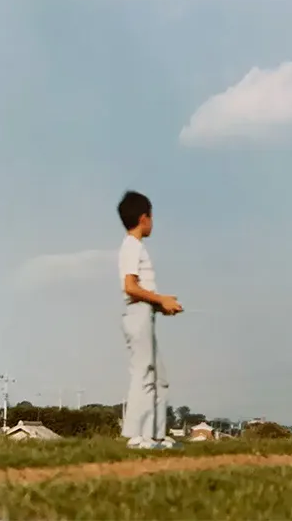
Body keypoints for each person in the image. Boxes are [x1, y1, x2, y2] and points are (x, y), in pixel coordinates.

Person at [117, 190, 183, 450]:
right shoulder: (131, 246)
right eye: (152, 216)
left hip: (146, 314)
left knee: (159, 379)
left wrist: (160, 305)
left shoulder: (136, 247)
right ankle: (137, 437)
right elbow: (130, 287)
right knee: (144, 375)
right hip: (137, 315)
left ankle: (155, 436)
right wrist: (160, 299)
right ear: (144, 218)